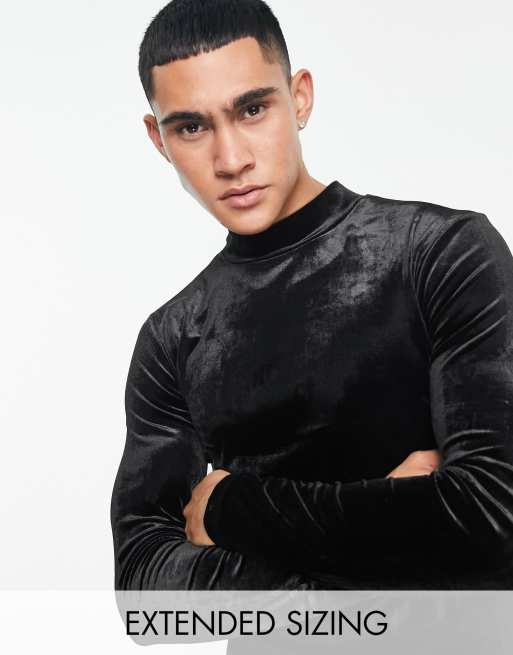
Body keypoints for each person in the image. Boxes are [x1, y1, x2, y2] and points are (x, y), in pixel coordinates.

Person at [110, 0, 513, 590]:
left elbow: (492, 519)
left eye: (252, 109)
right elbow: (145, 586)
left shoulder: (441, 253)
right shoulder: (174, 337)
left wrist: (232, 510)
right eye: (192, 127)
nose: (231, 160)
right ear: (158, 139)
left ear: (299, 98)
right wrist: (390, 519)